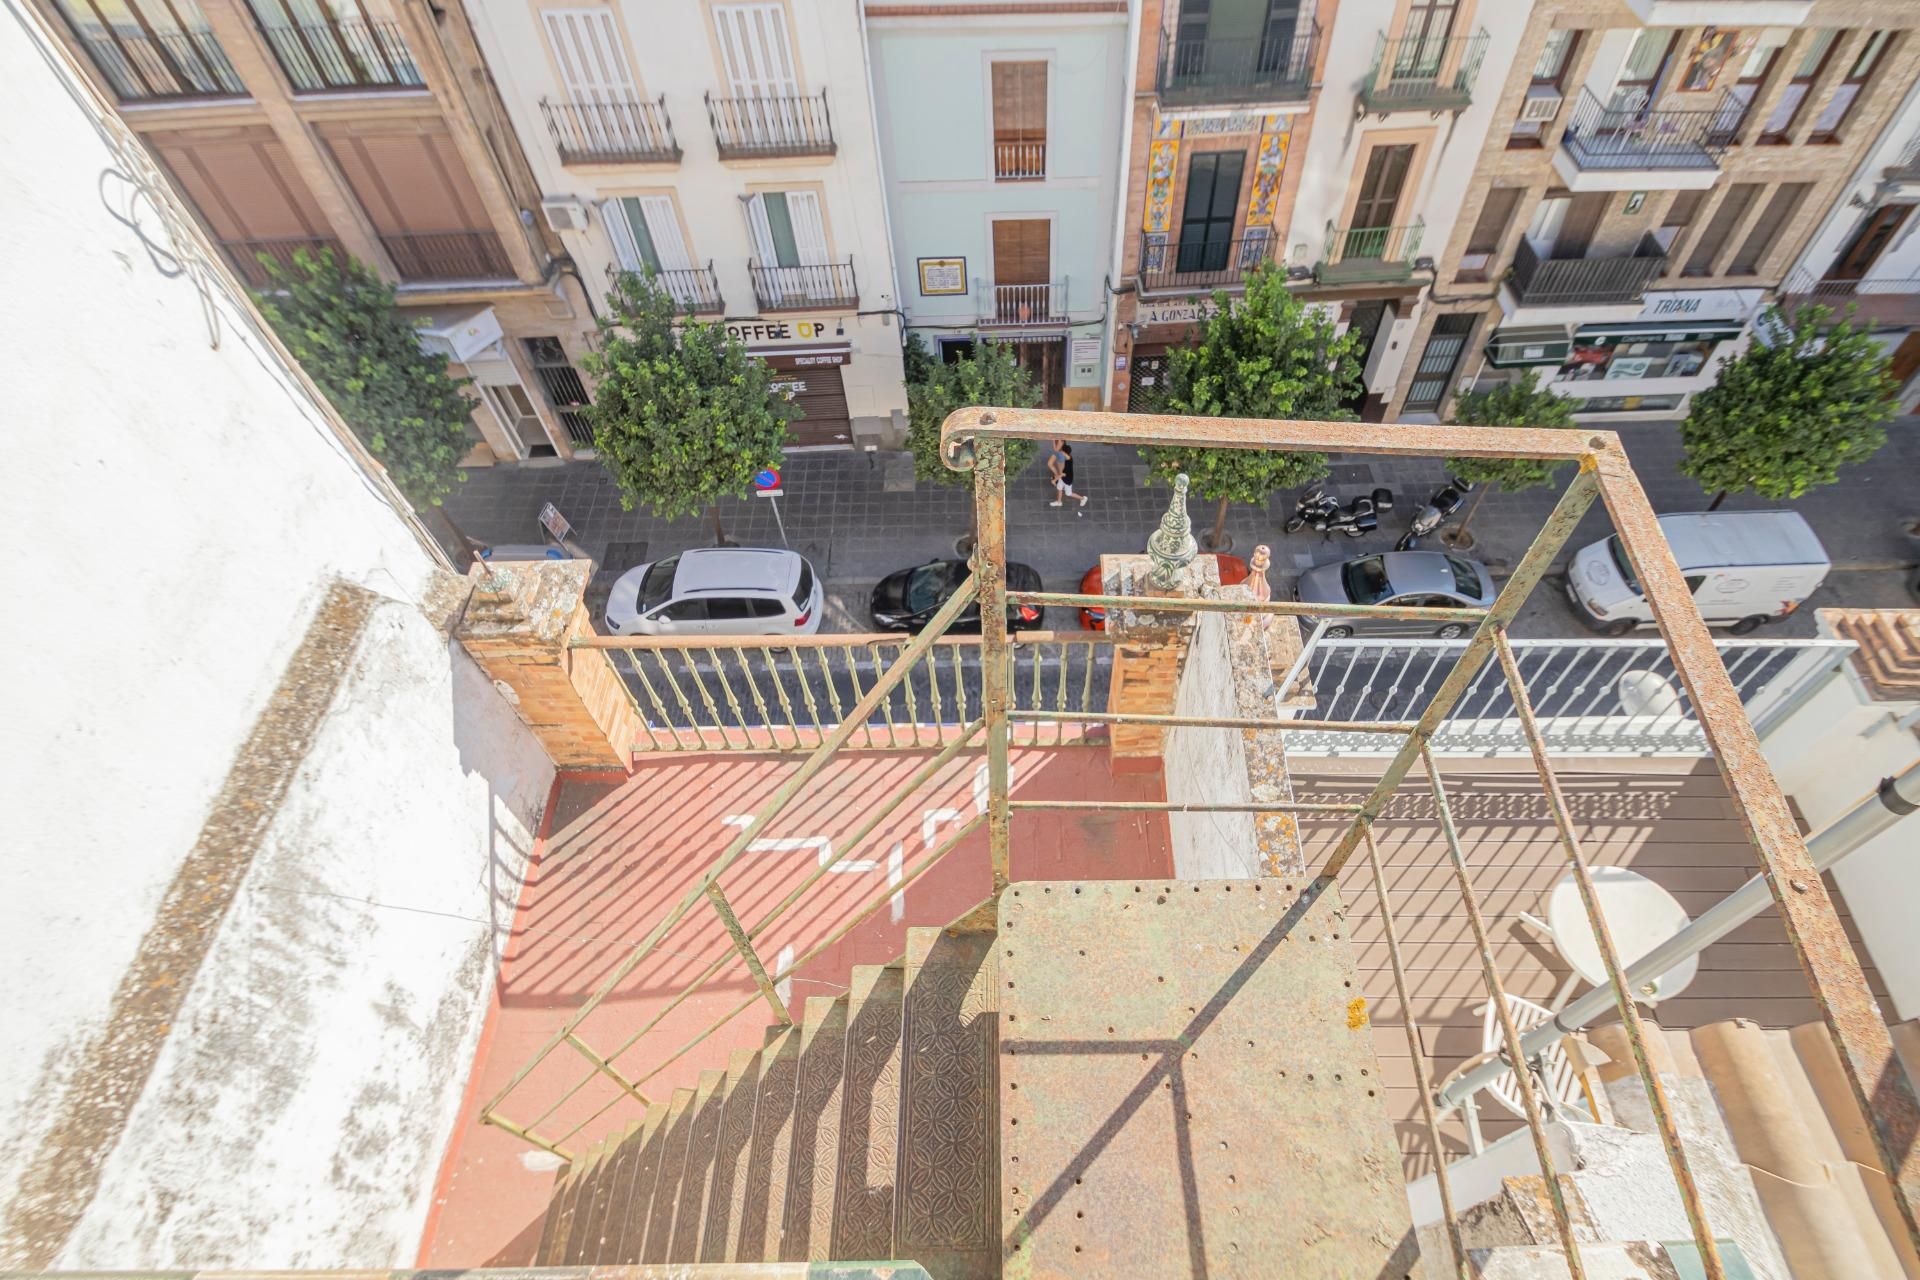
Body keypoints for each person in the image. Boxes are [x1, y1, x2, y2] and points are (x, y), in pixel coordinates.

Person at [1048, 439, 1089, 508]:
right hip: (1063, 478)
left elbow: (1062, 474)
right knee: (1059, 488)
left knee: (1068, 493)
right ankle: (1059, 502)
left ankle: (1083, 498)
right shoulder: (1069, 458)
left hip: (1067, 480)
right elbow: (1061, 452)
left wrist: (1054, 480)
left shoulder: (1066, 462)